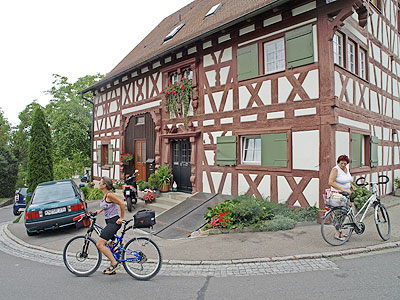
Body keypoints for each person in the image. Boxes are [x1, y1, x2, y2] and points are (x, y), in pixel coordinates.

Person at [95, 176, 125, 275]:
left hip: (114, 222)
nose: (98, 184)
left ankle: (114, 263)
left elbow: (121, 203)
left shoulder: (109, 195)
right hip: (109, 222)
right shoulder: (105, 195)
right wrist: (99, 210)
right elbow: (108, 206)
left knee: (100, 244)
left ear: (104, 185)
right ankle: (113, 265)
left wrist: (121, 218)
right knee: (111, 245)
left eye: (100, 183)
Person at [328, 154, 357, 241]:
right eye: (341, 163)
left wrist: (351, 186)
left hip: (346, 194)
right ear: (338, 163)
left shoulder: (346, 169)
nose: (343, 165)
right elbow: (331, 182)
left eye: (345, 163)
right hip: (338, 195)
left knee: (345, 214)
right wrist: (344, 189)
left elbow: (347, 179)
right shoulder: (335, 170)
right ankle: (337, 234)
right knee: (339, 214)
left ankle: (340, 231)